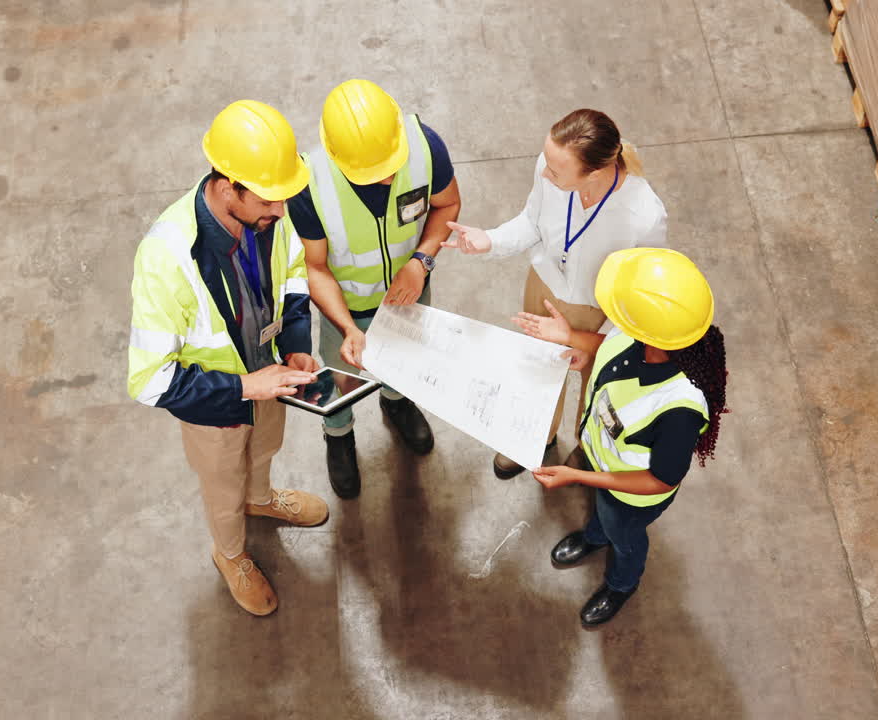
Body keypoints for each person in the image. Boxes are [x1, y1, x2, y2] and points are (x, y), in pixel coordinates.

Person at [126, 100, 330, 617]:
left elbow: (291, 279)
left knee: (263, 452)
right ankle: (231, 553)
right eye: (269, 198)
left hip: (272, 378)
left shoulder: (268, 218)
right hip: (215, 408)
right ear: (226, 185)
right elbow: (148, 381)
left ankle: (260, 499)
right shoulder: (165, 256)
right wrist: (244, 388)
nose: (281, 210)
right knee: (223, 485)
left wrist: (298, 345)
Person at [443, 109, 667, 479]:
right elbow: (533, 221)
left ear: (594, 173)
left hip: (600, 313)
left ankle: (586, 445)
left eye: (556, 171)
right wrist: (490, 241)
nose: (545, 173)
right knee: (537, 368)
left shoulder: (643, 216)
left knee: (595, 386)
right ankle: (536, 436)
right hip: (545, 288)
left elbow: (638, 295)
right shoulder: (551, 168)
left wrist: (590, 341)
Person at [518, 248, 727, 627]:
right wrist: (578, 346)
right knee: (602, 513)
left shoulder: (680, 410)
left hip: (633, 497)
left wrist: (579, 477)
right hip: (604, 466)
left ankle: (621, 583)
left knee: (624, 535)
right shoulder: (643, 335)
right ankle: (594, 536)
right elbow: (610, 348)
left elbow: (659, 479)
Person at [287, 79, 462, 499]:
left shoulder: (425, 145)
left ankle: (396, 400)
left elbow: (447, 205)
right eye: (372, 173)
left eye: (389, 165)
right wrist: (348, 328)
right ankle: (338, 432)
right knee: (339, 379)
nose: (386, 178)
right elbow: (315, 267)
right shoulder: (309, 184)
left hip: (410, 294)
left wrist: (421, 262)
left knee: (404, 360)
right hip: (345, 308)